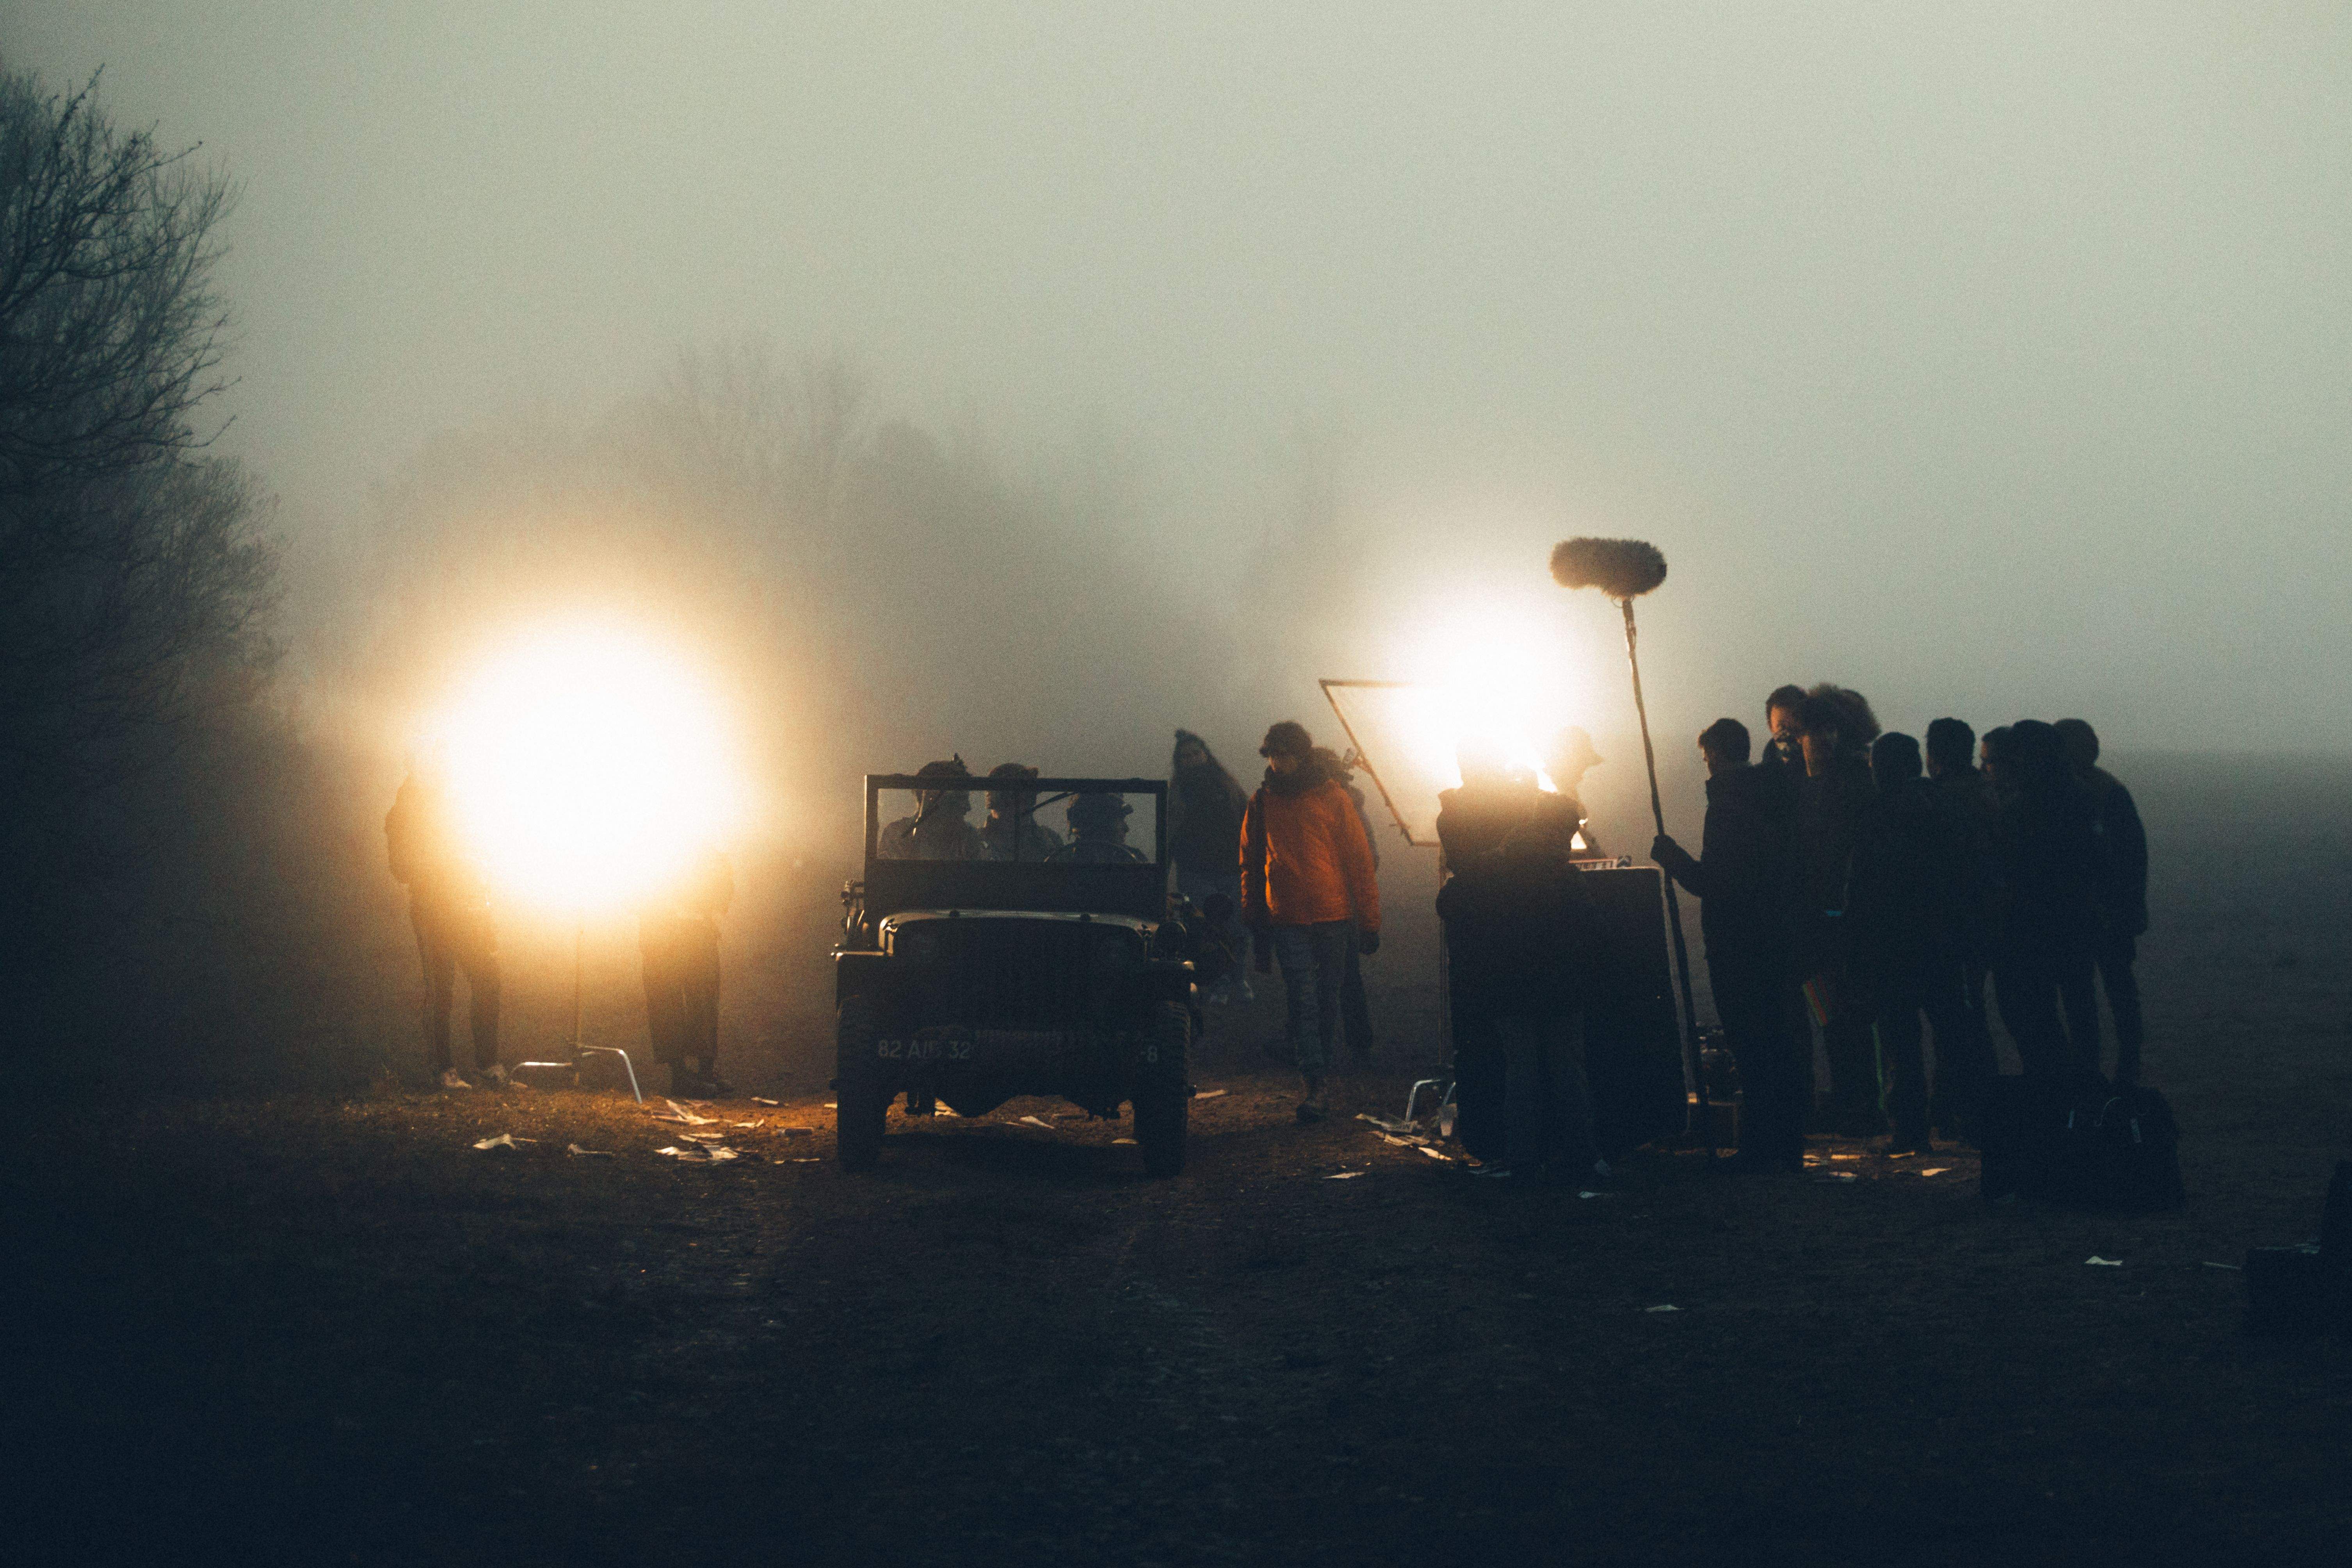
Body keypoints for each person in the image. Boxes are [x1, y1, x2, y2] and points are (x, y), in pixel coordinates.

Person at [1653, 718, 1806, 1172]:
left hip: (1738, 945)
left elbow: (1718, 883)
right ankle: (1786, 1147)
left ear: (1716, 755)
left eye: (1705, 759)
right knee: (1779, 1045)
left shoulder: (1726, 806)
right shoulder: (1779, 798)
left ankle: (1760, 1150)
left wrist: (1672, 859)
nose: (1706, 769)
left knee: (1752, 1048)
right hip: (1778, 938)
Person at [1444, 805, 1604, 1185]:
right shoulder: (1565, 877)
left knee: (1520, 1073)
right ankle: (1582, 1158)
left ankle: (1522, 1161)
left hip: (1508, 988)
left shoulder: (1491, 866)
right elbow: (1592, 929)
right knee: (1568, 1071)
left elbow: (1447, 903)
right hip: (1561, 990)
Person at [1241, 721, 1381, 1124]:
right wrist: (1255, 915)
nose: (1276, 762)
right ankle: (1315, 1083)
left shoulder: (1328, 799)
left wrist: (1368, 920)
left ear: (1299, 755)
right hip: (1297, 917)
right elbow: (1250, 862)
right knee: (1307, 1000)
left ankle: (1316, 1080)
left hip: (1326, 916)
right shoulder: (1265, 802)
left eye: (1281, 754)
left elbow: (1358, 862)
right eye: (1272, 754)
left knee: (1320, 999)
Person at [1846, 733, 1972, 1155]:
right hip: (1942, 940)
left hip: (1893, 945)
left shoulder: (1878, 815)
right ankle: (1959, 1118)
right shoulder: (1944, 807)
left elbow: (1865, 888)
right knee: (1951, 1034)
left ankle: (1909, 1129)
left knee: (1899, 1040)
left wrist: (1855, 940)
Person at [1984, 721, 2104, 1076]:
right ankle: (2085, 1083)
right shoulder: (2082, 797)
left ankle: (2055, 1085)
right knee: (2081, 1006)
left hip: (2031, 927)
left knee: (2034, 1012)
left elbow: (2007, 871)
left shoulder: (2020, 809)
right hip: (2076, 920)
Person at [384, 754, 502, 1089]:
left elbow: (483, 844)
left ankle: (489, 1066)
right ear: (415, 765)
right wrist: (442, 867)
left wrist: (477, 871)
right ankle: (443, 1071)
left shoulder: (457, 800)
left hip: (473, 904)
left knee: (488, 979)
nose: (441, 766)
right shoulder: (404, 811)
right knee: (440, 990)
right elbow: (401, 867)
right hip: (434, 908)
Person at [1792, 689, 1879, 1133]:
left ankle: (1859, 1102)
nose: (1819, 739)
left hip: (1837, 921)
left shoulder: (1843, 785)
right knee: (1836, 1014)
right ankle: (1856, 1099)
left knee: (1841, 1013)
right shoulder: (1825, 783)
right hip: (1827, 919)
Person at [2054, 719, 2149, 1084]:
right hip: (2109, 911)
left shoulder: (2085, 792)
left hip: (2088, 911)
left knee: (2082, 992)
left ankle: (2090, 1065)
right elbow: (2133, 857)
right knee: (2118, 988)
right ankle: (2127, 1063)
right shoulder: (2110, 790)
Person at [1923, 717, 2000, 1140]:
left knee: (1953, 1020)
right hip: (1982, 924)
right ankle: (1971, 1106)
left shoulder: (1938, 800)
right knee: (1970, 1013)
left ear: (1931, 755)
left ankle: (1960, 1107)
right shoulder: (1987, 794)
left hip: (1947, 925)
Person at [642, 848, 735, 1096]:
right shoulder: (647, 845)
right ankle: (681, 1075)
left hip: (695, 931)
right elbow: (633, 892)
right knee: (666, 1002)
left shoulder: (701, 844)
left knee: (703, 1000)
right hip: (662, 933)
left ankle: (703, 1072)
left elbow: (723, 880)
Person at [1169, 730, 1252, 1003]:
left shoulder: (1228, 785)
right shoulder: (1178, 792)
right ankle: (1220, 982)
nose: (1193, 759)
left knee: (1238, 928)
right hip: (1196, 871)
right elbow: (1170, 830)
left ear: (1206, 753)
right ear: (1179, 761)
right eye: (1186, 756)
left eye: (1197, 753)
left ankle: (1238, 979)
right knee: (1208, 930)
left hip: (1232, 869)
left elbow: (1247, 822)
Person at [1324, 747, 1382, 1059]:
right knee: (1346, 975)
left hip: (1339, 903)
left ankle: (1345, 1042)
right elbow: (1371, 858)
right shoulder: (1351, 803)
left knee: (1337, 975)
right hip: (1341, 901)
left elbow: (1368, 858)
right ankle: (1357, 1042)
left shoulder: (1348, 806)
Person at [878, 757, 986, 861]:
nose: (968, 807)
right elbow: (891, 876)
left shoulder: (967, 835)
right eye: (960, 799)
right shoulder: (895, 834)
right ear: (930, 798)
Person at [1540, 727, 1608, 858]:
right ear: (1567, 760)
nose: (1584, 772)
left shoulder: (1568, 792)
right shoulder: (1544, 792)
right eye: (1582, 764)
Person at [980, 763, 1062, 862]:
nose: (1023, 806)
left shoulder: (1051, 840)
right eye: (1012, 798)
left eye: (1028, 798)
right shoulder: (976, 842)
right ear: (996, 802)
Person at [1057, 791, 1149, 863]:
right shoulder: (1061, 861)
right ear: (1101, 823)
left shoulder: (1134, 858)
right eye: (1119, 819)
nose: (1126, 829)